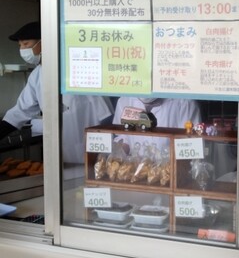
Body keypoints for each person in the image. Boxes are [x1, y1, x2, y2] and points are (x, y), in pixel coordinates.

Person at [0, 21, 113, 164]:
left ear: (44, 42)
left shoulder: (77, 68)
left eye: (26, 44)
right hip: (60, 156)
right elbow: (20, 111)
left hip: (91, 151)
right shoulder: (37, 75)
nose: (22, 49)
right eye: (20, 45)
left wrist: (111, 146)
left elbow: (105, 113)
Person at [112, 96, 202, 154]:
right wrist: (119, 154)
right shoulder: (124, 100)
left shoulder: (185, 104)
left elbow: (192, 147)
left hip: (172, 171)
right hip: (136, 171)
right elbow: (123, 137)